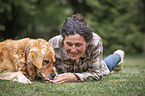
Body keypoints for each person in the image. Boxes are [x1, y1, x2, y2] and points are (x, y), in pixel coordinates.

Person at [44, 14, 125, 83]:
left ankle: (118, 55)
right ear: (63, 39)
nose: (73, 50)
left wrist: (74, 77)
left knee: (107, 66)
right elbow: (47, 67)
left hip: (87, 68)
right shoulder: (52, 43)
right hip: (65, 70)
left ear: (87, 42)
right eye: (69, 44)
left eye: (78, 45)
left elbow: (96, 73)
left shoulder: (95, 41)